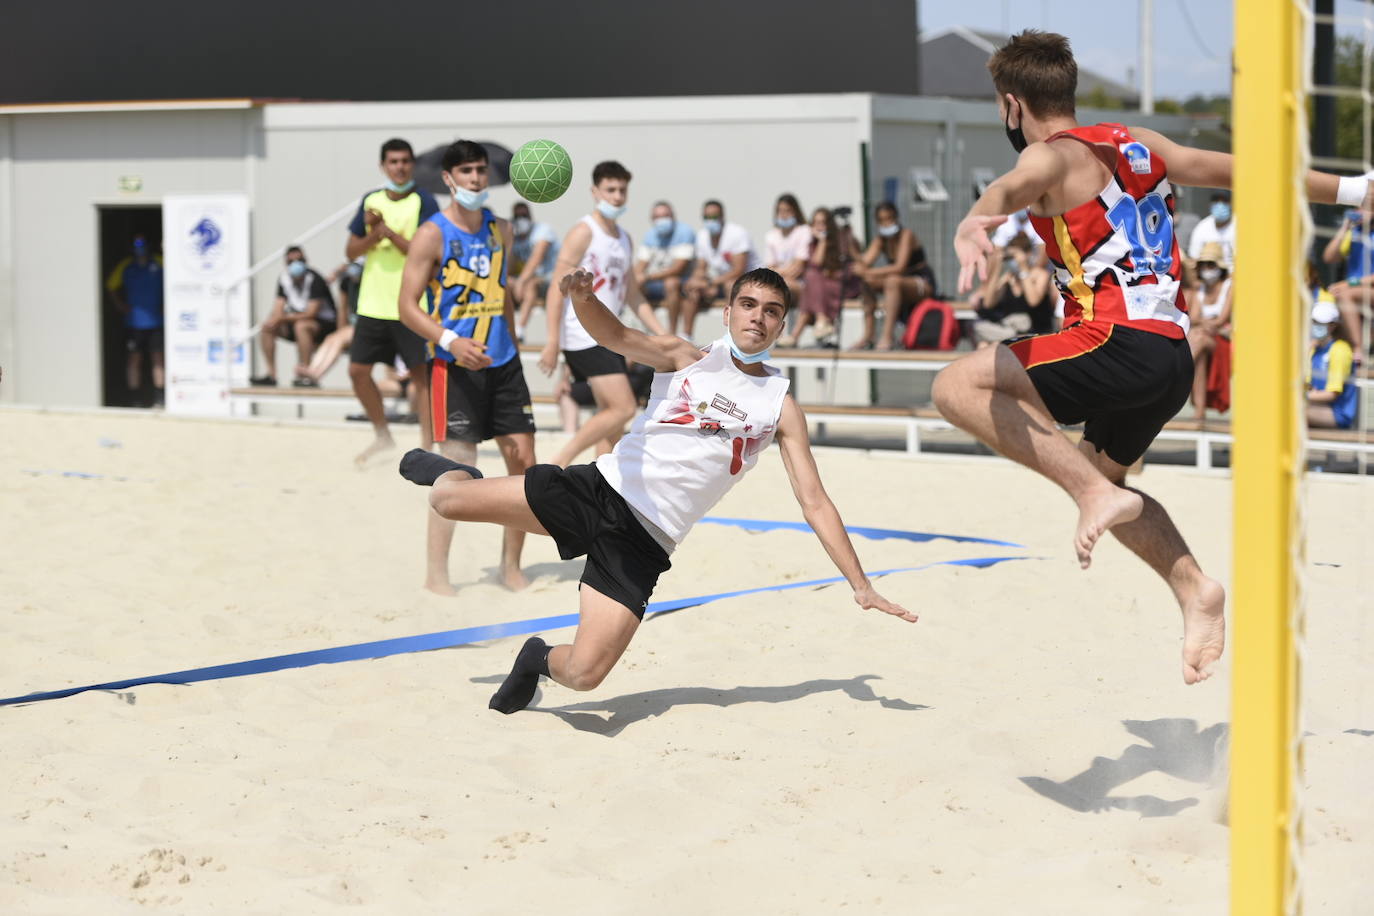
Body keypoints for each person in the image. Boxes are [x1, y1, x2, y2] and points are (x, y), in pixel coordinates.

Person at [398, 266, 915, 714]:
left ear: (784, 324)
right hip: (600, 491)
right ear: (728, 312)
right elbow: (617, 335)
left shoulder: (779, 405)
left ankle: (534, 656)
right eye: (748, 304)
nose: (758, 317)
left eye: (772, 310)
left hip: (647, 542)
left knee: (584, 674)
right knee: (445, 501)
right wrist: (583, 298)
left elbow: (815, 502)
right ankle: (451, 470)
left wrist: (861, 584)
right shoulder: (684, 356)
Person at [397, 139, 538, 594]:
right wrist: (450, 340)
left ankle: (510, 567)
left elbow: (504, 294)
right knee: (456, 471)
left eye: (480, 170)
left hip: (504, 364)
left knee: (524, 464)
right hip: (453, 365)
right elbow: (406, 306)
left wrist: (514, 347)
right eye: (467, 171)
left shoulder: (501, 229)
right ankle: (437, 573)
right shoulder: (432, 233)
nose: (476, 178)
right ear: (449, 179)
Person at [538, 161, 665, 468]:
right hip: (582, 333)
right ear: (595, 192)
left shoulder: (624, 238)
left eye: (622, 190)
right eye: (610, 189)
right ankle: (560, 461)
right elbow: (558, 287)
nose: (617, 196)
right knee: (622, 408)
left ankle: (602, 479)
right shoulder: (584, 231)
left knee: (612, 420)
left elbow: (633, 294)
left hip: (610, 334)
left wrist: (661, 333)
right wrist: (552, 340)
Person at [345, 138, 440, 465]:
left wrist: (386, 231)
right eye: (393, 161)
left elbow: (425, 251)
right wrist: (374, 234)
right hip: (373, 303)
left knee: (421, 379)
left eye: (404, 161)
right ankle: (382, 435)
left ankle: (428, 449)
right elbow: (351, 251)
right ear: (383, 165)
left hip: (412, 304)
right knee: (358, 372)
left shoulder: (424, 201)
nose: (399, 167)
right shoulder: (370, 200)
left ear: (412, 164)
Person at [849, 202, 937, 350]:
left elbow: (899, 267)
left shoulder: (906, 235)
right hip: (898, 283)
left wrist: (868, 272)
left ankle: (887, 336)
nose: (887, 223)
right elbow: (864, 262)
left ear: (896, 218)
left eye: (889, 218)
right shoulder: (880, 240)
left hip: (921, 282)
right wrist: (850, 243)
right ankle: (868, 335)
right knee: (867, 282)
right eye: (882, 220)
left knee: (892, 281)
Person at [252, 247, 337, 388]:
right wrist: (274, 320)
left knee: (302, 326)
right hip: (298, 321)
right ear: (286, 263)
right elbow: (278, 307)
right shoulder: (284, 279)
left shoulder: (315, 278)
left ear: (306, 261)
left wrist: (281, 318)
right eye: (291, 261)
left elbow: (311, 313)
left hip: (325, 325)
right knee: (267, 327)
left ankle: (306, 373)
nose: (296, 264)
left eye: (300, 260)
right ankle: (271, 375)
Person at [683, 200, 760, 340]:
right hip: (720, 282)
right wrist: (697, 281)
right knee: (693, 289)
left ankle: (734, 336)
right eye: (706, 218)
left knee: (731, 286)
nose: (710, 221)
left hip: (749, 281)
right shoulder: (702, 236)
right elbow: (701, 267)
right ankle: (686, 336)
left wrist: (711, 282)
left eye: (713, 217)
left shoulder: (737, 234)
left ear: (722, 217)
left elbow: (739, 270)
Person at [105, 234, 165, 407]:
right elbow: (110, 286)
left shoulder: (159, 262)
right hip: (134, 323)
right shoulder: (126, 266)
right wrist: (120, 305)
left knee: (158, 358)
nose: (140, 251)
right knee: (134, 360)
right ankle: (135, 399)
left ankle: (159, 398)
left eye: (143, 246)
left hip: (156, 322)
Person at [969, 233, 1052, 347]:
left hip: (1034, 331)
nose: (1014, 260)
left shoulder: (1040, 275)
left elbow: (1033, 301)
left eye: (1016, 256)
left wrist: (1023, 269)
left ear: (1028, 254)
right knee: (983, 345)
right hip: (1009, 330)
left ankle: (1012, 337)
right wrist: (997, 268)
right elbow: (988, 303)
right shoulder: (1009, 277)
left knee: (998, 343)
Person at [1185, 242, 1233, 421]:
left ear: (1219, 267)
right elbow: (1194, 317)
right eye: (1203, 265)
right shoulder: (1200, 289)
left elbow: (1222, 319)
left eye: (1211, 265)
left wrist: (1205, 324)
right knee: (1200, 351)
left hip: (1226, 340)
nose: (1206, 269)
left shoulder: (1229, 286)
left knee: (1198, 337)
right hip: (1207, 339)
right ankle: (1199, 411)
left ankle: (1180, 371)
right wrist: (1208, 324)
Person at [632, 200, 696, 336]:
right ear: (652, 220)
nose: (662, 220)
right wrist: (637, 278)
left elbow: (678, 269)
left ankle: (670, 333)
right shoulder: (650, 235)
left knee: (671, 282)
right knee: (634, 283)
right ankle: (643, 330)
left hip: (682, 283)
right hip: (657, 283)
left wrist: (647, 276)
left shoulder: (684, 232)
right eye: (658, 217)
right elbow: (640, 266)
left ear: (673, 216)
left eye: (665, 215)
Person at [794, 207, 852, 347]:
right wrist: (821, 241)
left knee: (811, 279)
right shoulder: (812, 243)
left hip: (840, 285)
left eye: (823, 223)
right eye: (816, 223)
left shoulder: (841, 240)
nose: (819, 227)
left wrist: (824, 240)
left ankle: (797, 334)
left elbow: (846, 268)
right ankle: (820, 321)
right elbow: (816, 263)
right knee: (812, 281)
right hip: (821, 288)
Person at [1320, 208, 1373, 359]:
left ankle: (1359, 350)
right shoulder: (1355, 232)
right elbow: (1329, 257)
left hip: (1363, 290)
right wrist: (1345, 227)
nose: (1361, 211)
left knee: (1345, 295)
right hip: (1355, 293)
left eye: (1366, 207)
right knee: (1328, 305)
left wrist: (1350, 284)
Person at [301, 258, 363, 384]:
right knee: (331, 338)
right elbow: (343, 309)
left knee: (338, 340)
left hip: (367, 325)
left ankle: (317, 373)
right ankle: (312, 370)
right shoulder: (347, 283)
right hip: (353, 327)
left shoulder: (370, 283)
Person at [764, 193, 813, 346]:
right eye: (780, 211)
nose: (784, 215)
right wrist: (783, 270)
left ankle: (786, 335)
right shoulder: (771, 235)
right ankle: (778, 334)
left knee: (781, 286)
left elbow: (798, 268)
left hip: (802, 285)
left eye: (788, 211)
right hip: (781, 283)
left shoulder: (804, 231)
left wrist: (779, 271)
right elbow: (769, 267)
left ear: (795, 212)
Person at [509, 202, 560, 340]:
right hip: (526, 281)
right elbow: (509, 266)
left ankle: (520, 329)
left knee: (531, 285)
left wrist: (520, 281)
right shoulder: (515, 237)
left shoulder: (543, 230)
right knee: (504, 283)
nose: (521, 219)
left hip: (550, 279)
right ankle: (505, 326)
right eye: (517, 216)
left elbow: (536, 258)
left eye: (524, 215)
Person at [1307, 299, 1360, 429]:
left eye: (1321, 323)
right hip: (1318, 406)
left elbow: (1332, 394)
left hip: (1338, 413)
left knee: (1292, 411)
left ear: (1333, 326)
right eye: (1314, 322)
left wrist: (1304, 396)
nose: (1317, 326)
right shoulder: (1315, 348)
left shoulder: (1340, 350)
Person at [1186, 190, 1236, 267]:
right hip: (1210, 273)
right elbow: (1194, 258)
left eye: (1225, 201)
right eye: (1216, 201)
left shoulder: (1240, 225)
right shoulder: (1202, 227)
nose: (1220, 205)